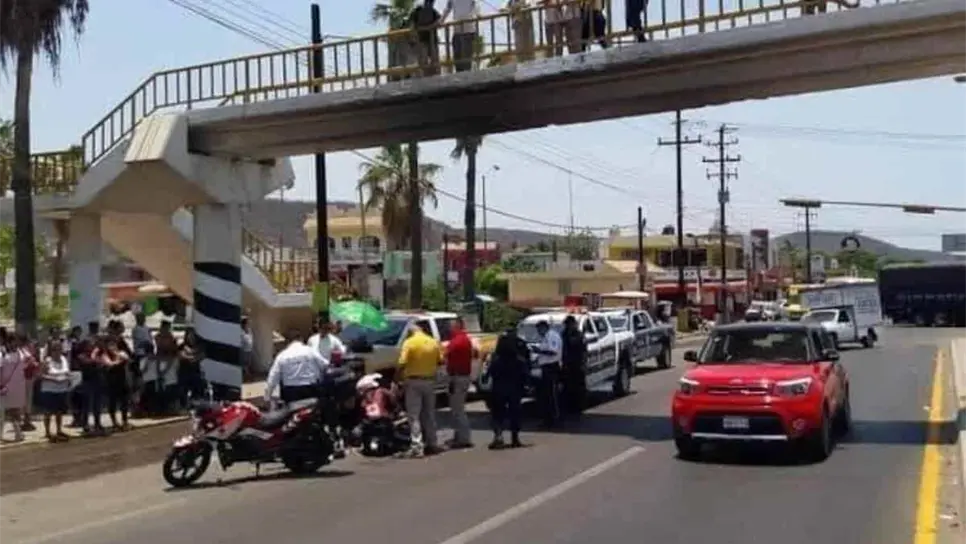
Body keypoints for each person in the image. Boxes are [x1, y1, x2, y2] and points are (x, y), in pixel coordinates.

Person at [396, 324, 444, 458]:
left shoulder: (410, 343)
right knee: (429, 413)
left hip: (413, 381)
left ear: (411, 332)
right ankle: (432, 443)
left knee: (414, 415)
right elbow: (441, 361)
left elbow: (402, 363)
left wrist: (397, 378)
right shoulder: (433, 342)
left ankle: (417, 446)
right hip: (429, 381)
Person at [486, 327, 530, 449]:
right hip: (514, 390)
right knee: (515, 414)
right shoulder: (519, 361)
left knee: (497, 415)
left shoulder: (496, 360)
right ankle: (515, 439)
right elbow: (525, 376)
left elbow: (489, 374)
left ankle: (498, 436)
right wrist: (525, 386)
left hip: (498, 389)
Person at [264, 329, 328, 405]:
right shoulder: (310, 351)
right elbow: (325, 364)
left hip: (290, 393)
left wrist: (267, 397)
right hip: (310, 390)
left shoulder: (282, 356)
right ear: (301, 339)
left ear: (287, 342)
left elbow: (273, 378)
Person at [444, 317, 477, 449]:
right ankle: (459, 436)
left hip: (458, 377)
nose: (448, 328)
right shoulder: (463, 339)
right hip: (461, 376)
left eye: (451, 326)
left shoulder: (458, 341)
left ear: (457, 326)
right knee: (457, 409)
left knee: (457, 409)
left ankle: (463, 438)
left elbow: (447, 355)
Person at [40, 341, 72, 442]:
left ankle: (59, 430)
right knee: (48, 412)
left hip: (61, 389)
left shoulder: (63, 359)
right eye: (55, 349)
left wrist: (67, 378)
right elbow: (41, 375)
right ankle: (47, 432)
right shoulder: (47, 361)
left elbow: (67, 372)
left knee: (59, 412)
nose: (57, 351)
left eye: (59, 349)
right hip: (49, 389)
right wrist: (54, 379)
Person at [532, 319, 563, 425]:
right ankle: (548, 418)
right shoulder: (546, 337)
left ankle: (554, 418)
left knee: (551, 394)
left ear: (544, 327)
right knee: (546, 394)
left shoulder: (551, 336)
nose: (538, 332)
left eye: (539, 329)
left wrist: (538, 351)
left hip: (552, 368)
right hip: (546, 368)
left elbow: (552, 351)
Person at [560, 315, 588, 417]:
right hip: (567, 364)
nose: (567, 326)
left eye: (569, 324)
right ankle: (569, 407)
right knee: (567, 387)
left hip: (578, 364)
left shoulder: (578, 335)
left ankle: (578, 408)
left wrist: (584, 364)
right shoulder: (564, 334)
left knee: (579, 388)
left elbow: (583, 350)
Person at [440, 0, 479, 72]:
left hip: (468, 29)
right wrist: (441, 21)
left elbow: (475, 5)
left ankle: (468, 76)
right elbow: (448, 8)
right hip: (457, 30)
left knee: (466, 57)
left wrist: (478, 14)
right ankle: (460, 75)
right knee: (457, 57)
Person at [0, 334, 26, 442]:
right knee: (4, 411)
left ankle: (18, 433)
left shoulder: (21, 353)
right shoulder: (3, 354)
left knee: (14, 411)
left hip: (16, 386)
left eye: (15, 341)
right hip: (5, 385)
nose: (14, 344)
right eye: (12, 341)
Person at [409, 0, 442, 77]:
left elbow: (439, 21)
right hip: (422, 40)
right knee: (424, 63)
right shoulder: (417, 11)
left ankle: (436, 79)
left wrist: (429, 27)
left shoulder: (433, 11)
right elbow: (412, 25)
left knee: (434, 63)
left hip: (432, 40)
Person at [177, 328, 207, 406]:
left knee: (199, 385)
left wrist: (190, 355)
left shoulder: (200, 346)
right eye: (189, 335)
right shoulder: (181, 346)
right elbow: (181, 356)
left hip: (196, 373)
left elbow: (202, 356)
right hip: (184, 372)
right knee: (182, 388)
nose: (191, 337)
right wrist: (193, 356)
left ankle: (196, 404)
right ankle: (183, 405)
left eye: (192, 335)